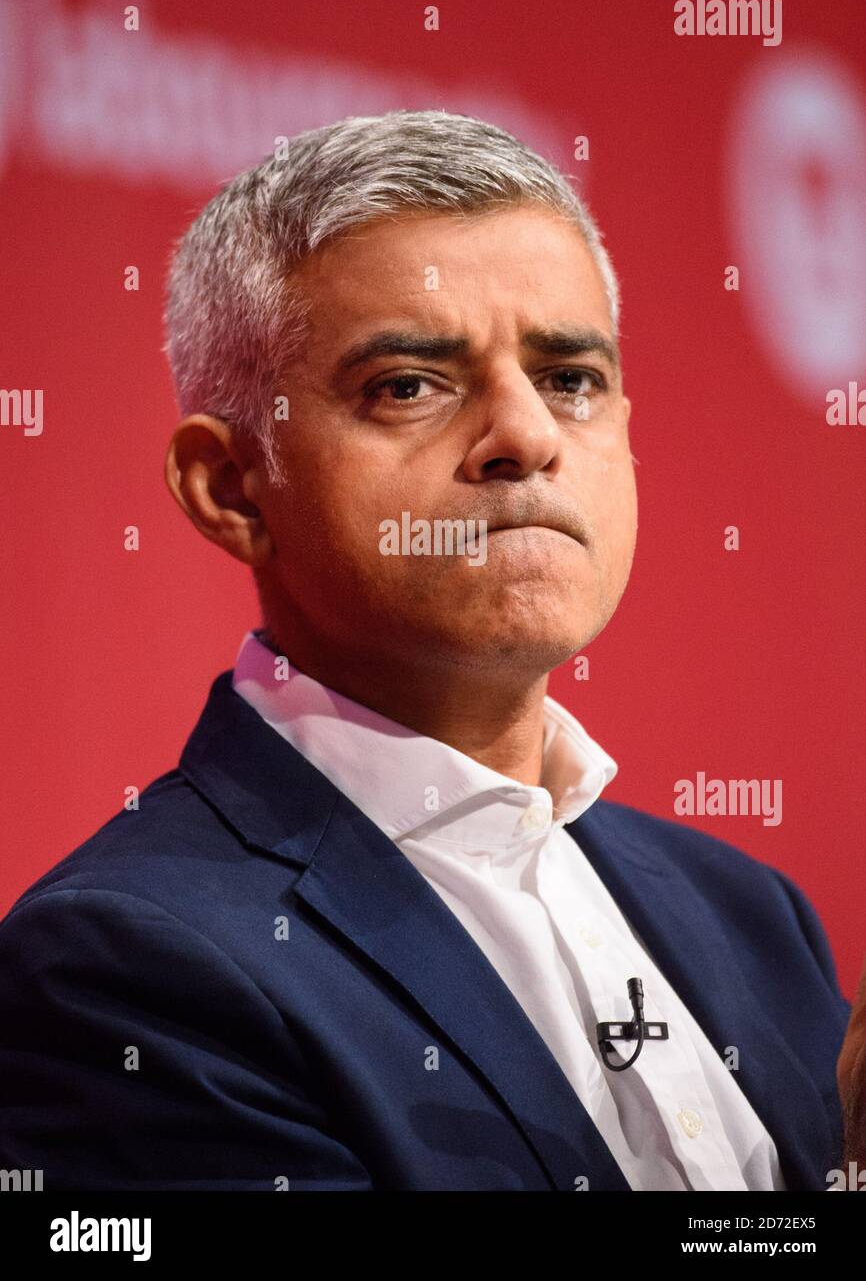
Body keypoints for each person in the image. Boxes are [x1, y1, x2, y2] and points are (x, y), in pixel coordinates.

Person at [1, 110, 863, 1191]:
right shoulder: (127, 967)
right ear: (231, 488)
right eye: (408, 385)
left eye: (570, 379)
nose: (526, 435)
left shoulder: (749, 912)